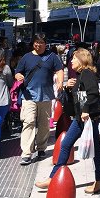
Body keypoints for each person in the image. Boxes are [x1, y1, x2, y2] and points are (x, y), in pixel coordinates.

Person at [34, 47, 100, 194]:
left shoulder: (87, 74)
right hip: (80, 119)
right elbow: (77, 98)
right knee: (67, 143)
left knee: (96, 150)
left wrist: (86, 109)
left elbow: (93, 94)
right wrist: (68, 88)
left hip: (90, 119)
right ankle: (53, 177)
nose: (71, 61)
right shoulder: (80, 75)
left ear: (82, 60)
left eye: (74, 58)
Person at [15, 33, 64, 165]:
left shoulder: (52, 57)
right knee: (28, 122)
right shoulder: (26, 57)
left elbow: (59, 70)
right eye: (36, 42)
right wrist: (18, 76)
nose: (38, 45)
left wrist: (60, 82)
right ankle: (26, 153)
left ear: (45, 44)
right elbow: (18, 71)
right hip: (28, 96)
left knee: (44, 124)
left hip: (46, 96)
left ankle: (41, 148)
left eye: (40, 42)